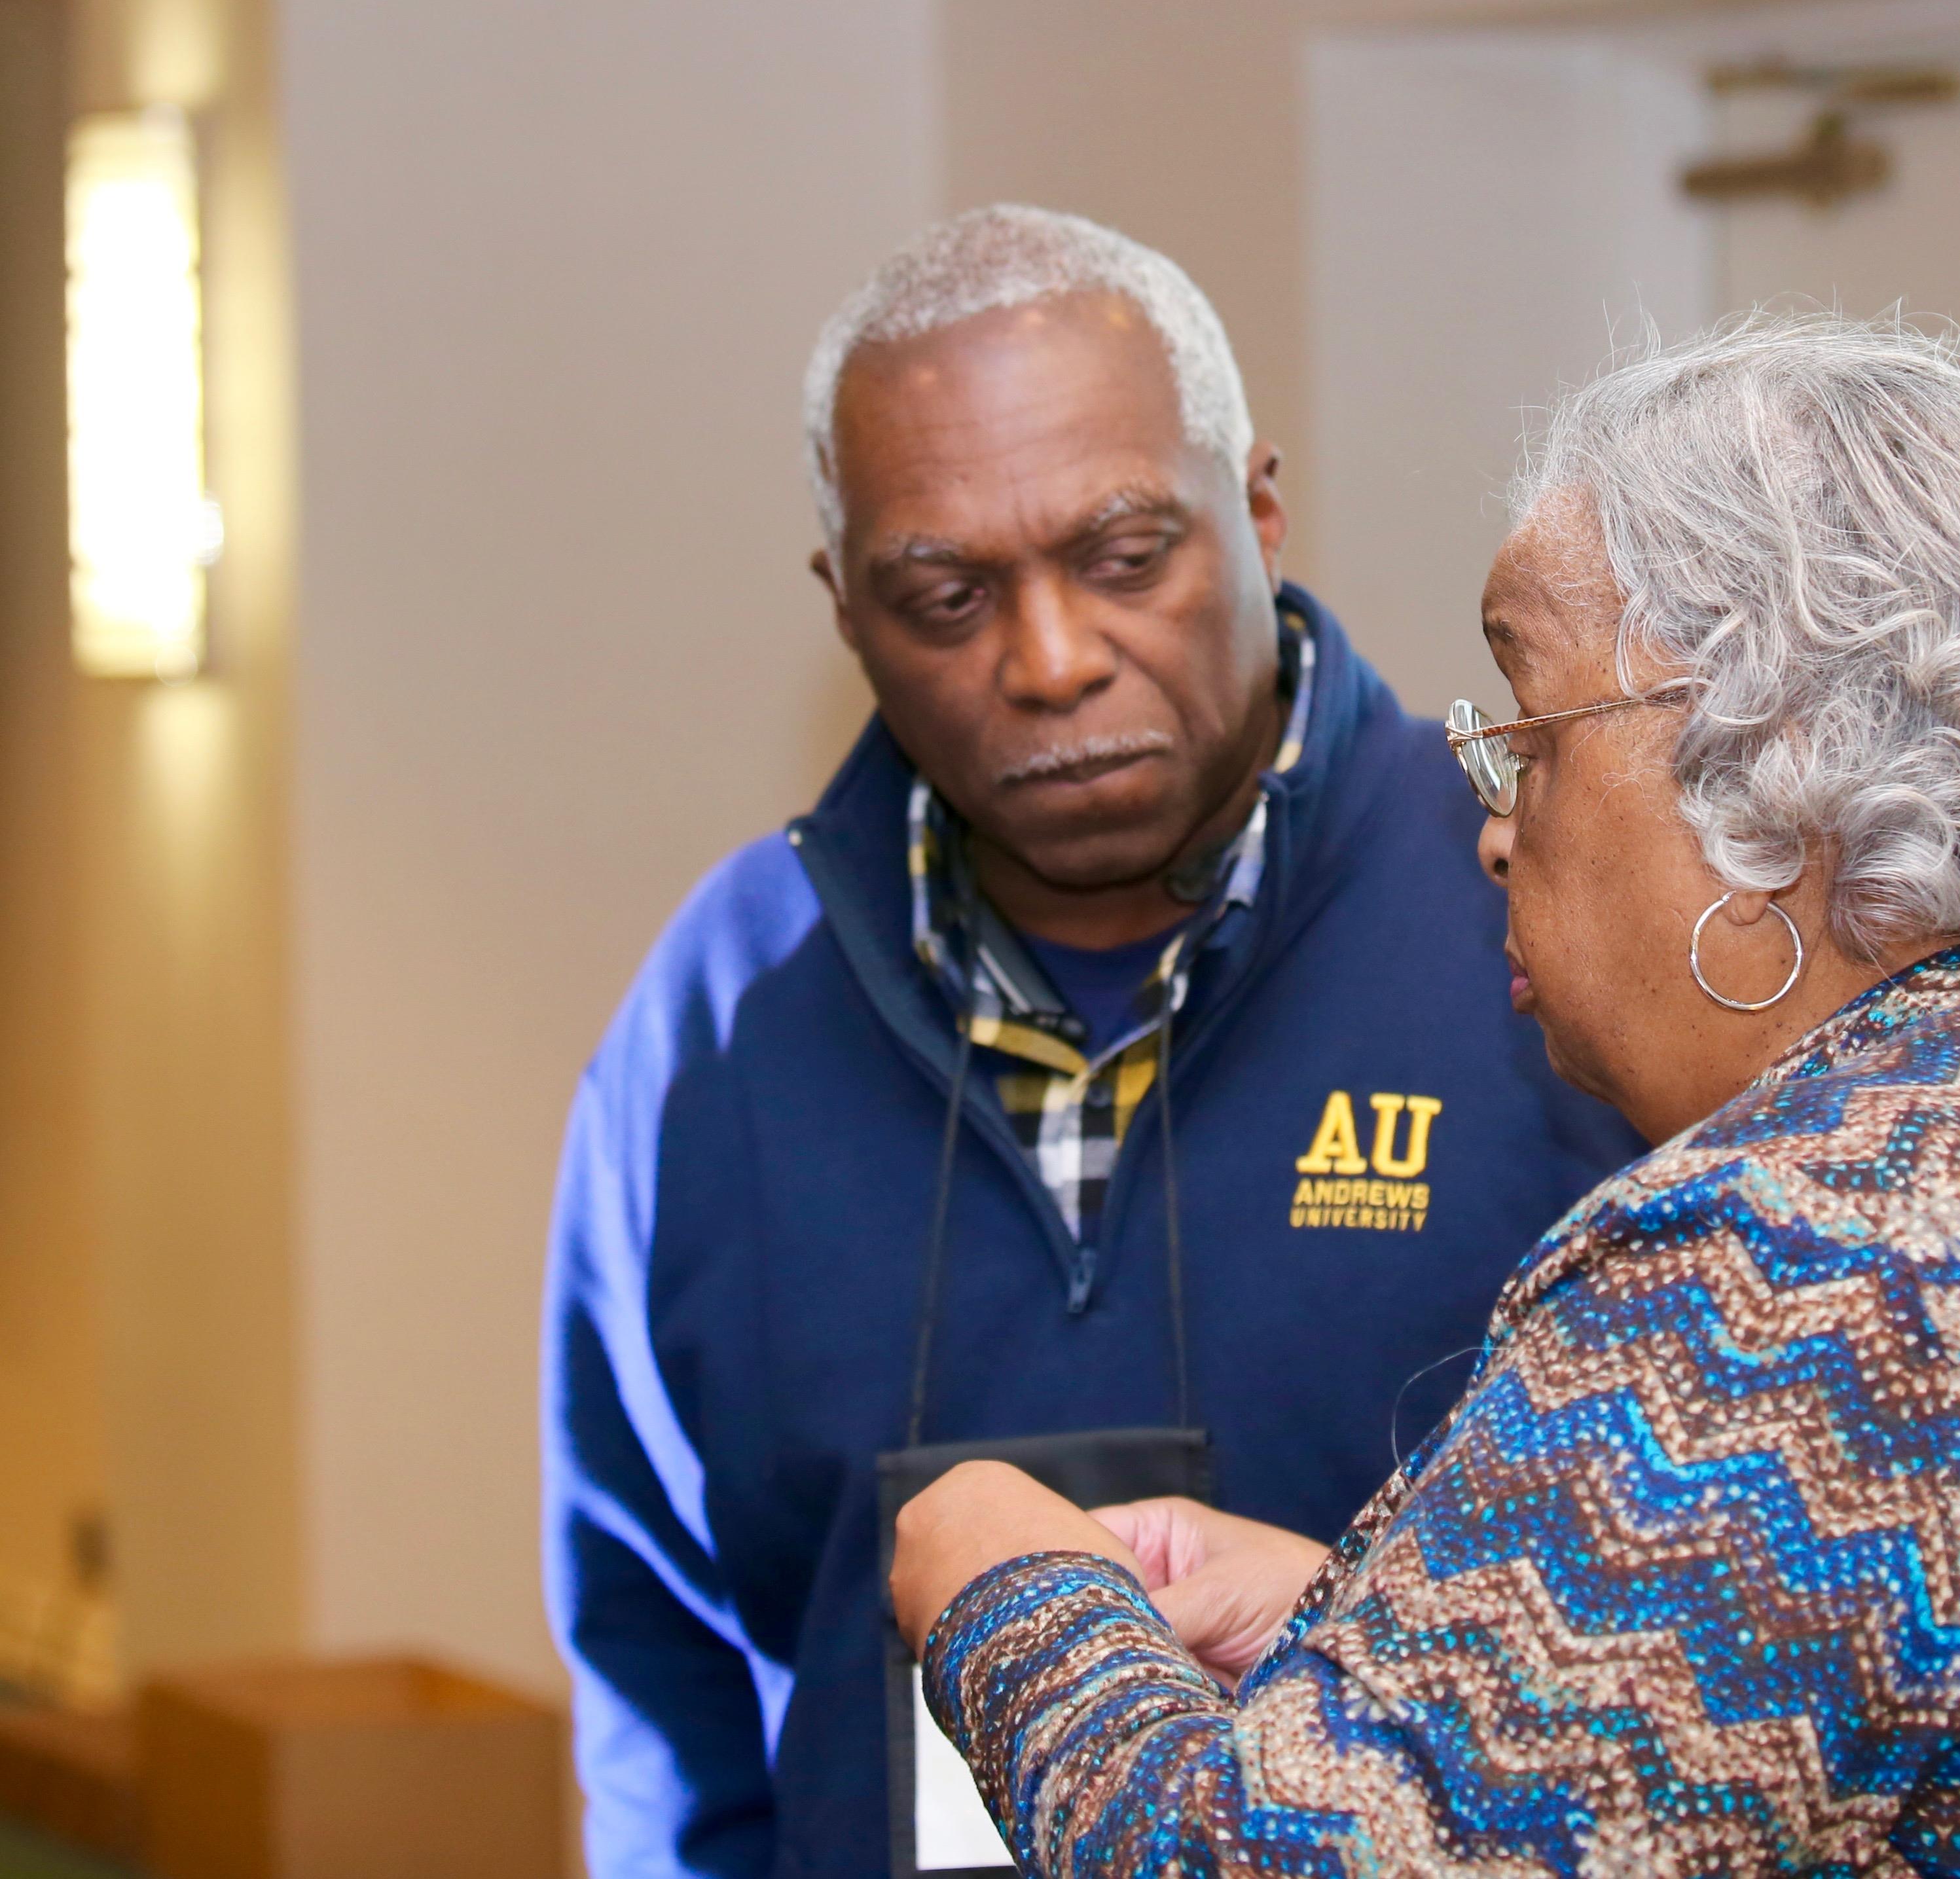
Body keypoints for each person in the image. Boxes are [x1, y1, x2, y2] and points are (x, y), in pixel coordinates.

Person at [890, 313, 1960, 1875]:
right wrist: (1382, 1641)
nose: (1495, 831)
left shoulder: (1802, 1264)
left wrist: (1010, 1587)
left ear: (1773, 773)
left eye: (1531, 739)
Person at [542, 207, 1643, 1877]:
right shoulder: (720, 1009)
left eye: (1126, 558)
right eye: (944, 597)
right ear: (844, 606)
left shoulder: (1542, 907)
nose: (1051, 662)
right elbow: (655, 1647)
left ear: (1258, 511)